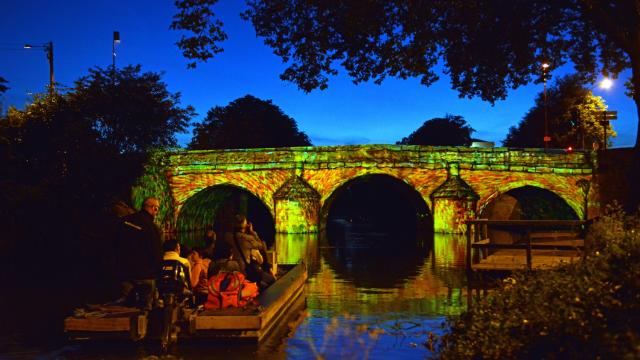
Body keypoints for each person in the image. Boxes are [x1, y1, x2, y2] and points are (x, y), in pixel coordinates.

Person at [114, 197, 163, 310]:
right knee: (145, 308)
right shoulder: (152, 228)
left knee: (126, 306)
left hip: (125, 272)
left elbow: (116, 244)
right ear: (153, 208)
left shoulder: (125, 221)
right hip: (145, 274)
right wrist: (156, 272)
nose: (156, 212)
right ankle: (144, 325)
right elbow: (156, 252)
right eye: (157, 209)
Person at [224, 214, 275, 289]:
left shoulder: (228, 236)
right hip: (247, 271)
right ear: (245, 225)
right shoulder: (247, 239)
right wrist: (252, 232)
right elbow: (261, 245)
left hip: (236, 269)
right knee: (272, 280)